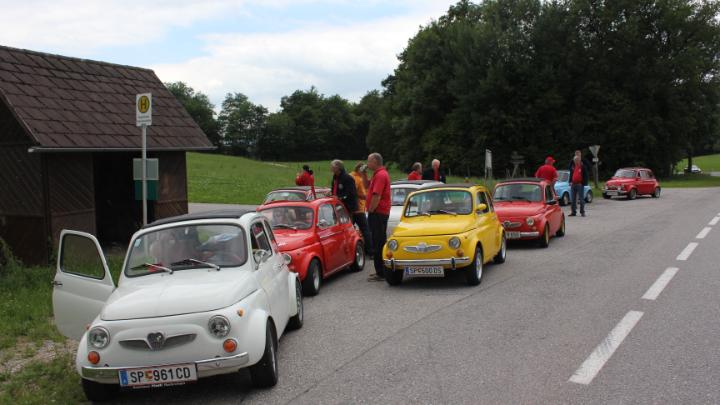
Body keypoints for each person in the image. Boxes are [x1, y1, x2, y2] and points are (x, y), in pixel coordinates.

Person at [366, 152, 391, 281]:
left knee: (378, 242)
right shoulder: (378, 174)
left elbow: (376, 196)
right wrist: (363, 174)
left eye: (369, 161)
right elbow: (368, 187)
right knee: (379, 240)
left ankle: (381, 272)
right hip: (379, 213)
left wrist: (370, 210)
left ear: (375, 161)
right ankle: (381, 270)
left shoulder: (380, 175)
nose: (367, 163)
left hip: (378, 213)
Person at [351, 163, 373, 254]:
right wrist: (366, 197)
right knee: (366, 230)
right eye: (363, 171)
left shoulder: (351, 176)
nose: (364, 173)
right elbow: (356, 193)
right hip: (358, 208)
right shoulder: (357, 179)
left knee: (351, 231)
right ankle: (370, 251)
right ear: (360, 170)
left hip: (351, 209)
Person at [568, 150, 590, 217]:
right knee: (573, 199)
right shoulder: (573, 165)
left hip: (580, 184)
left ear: (579, 159)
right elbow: (571, 174)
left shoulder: (583, 165)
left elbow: (586, 175)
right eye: (574, 160)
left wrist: (583, 183)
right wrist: (570, 181)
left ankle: (582, 212)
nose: (575, 162)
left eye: (576, 160)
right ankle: (573, 212)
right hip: (573, 184)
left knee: (581, 198)